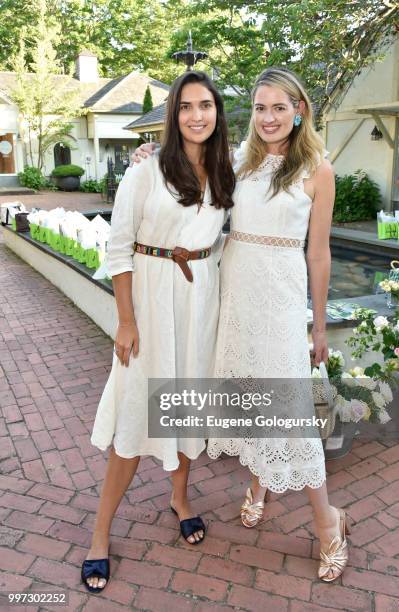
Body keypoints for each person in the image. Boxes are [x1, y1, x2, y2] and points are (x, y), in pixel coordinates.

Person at [133, 66, 350, 583]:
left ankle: (329, 522)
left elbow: (318, 256)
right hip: (234, 295)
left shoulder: (318, 169)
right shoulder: (237, 161)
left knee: (289, 410)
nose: (269, 117)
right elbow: (181, 166)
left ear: (300, 111)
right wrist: (146, 155)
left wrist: (318, 327)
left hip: (279, 299)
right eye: (260, 107)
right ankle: (258, 485)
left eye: (280, 107)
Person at [81, 70, 235, 593]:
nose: (197, 115)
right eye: (187, 106)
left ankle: (180, 498)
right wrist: (125, 320)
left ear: (217, 112)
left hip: (199, 303)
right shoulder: (145, 171)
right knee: (136, 414)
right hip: (150, 302)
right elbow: (118, 248)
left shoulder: (223, 168)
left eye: (206, 106)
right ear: (173, 114)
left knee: (188, 405)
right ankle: (100, 534)